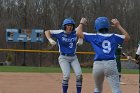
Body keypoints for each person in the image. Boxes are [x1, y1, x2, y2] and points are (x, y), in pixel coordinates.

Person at [77, 17, 130, 93]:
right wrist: (118, 26)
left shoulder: (94, 36)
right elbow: (127, 37)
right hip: (111, 64)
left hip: (98, 65)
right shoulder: (114, 36)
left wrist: (81, 23)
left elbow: (78, 32)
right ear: (107, 26)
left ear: (96, 27)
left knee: (97, 89)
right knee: (116, 89)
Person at [45, 18, 83, 93]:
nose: (70, 27)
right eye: (68, 25)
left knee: (79, 75)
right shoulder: (60, 32)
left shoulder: (75, 32)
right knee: (66, 76)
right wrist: (50, 39)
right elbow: (47, 32)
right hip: (63, 57)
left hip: (73, 57)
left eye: (71, 25)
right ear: (64, 26)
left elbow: (81, 29)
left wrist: (80, 38)